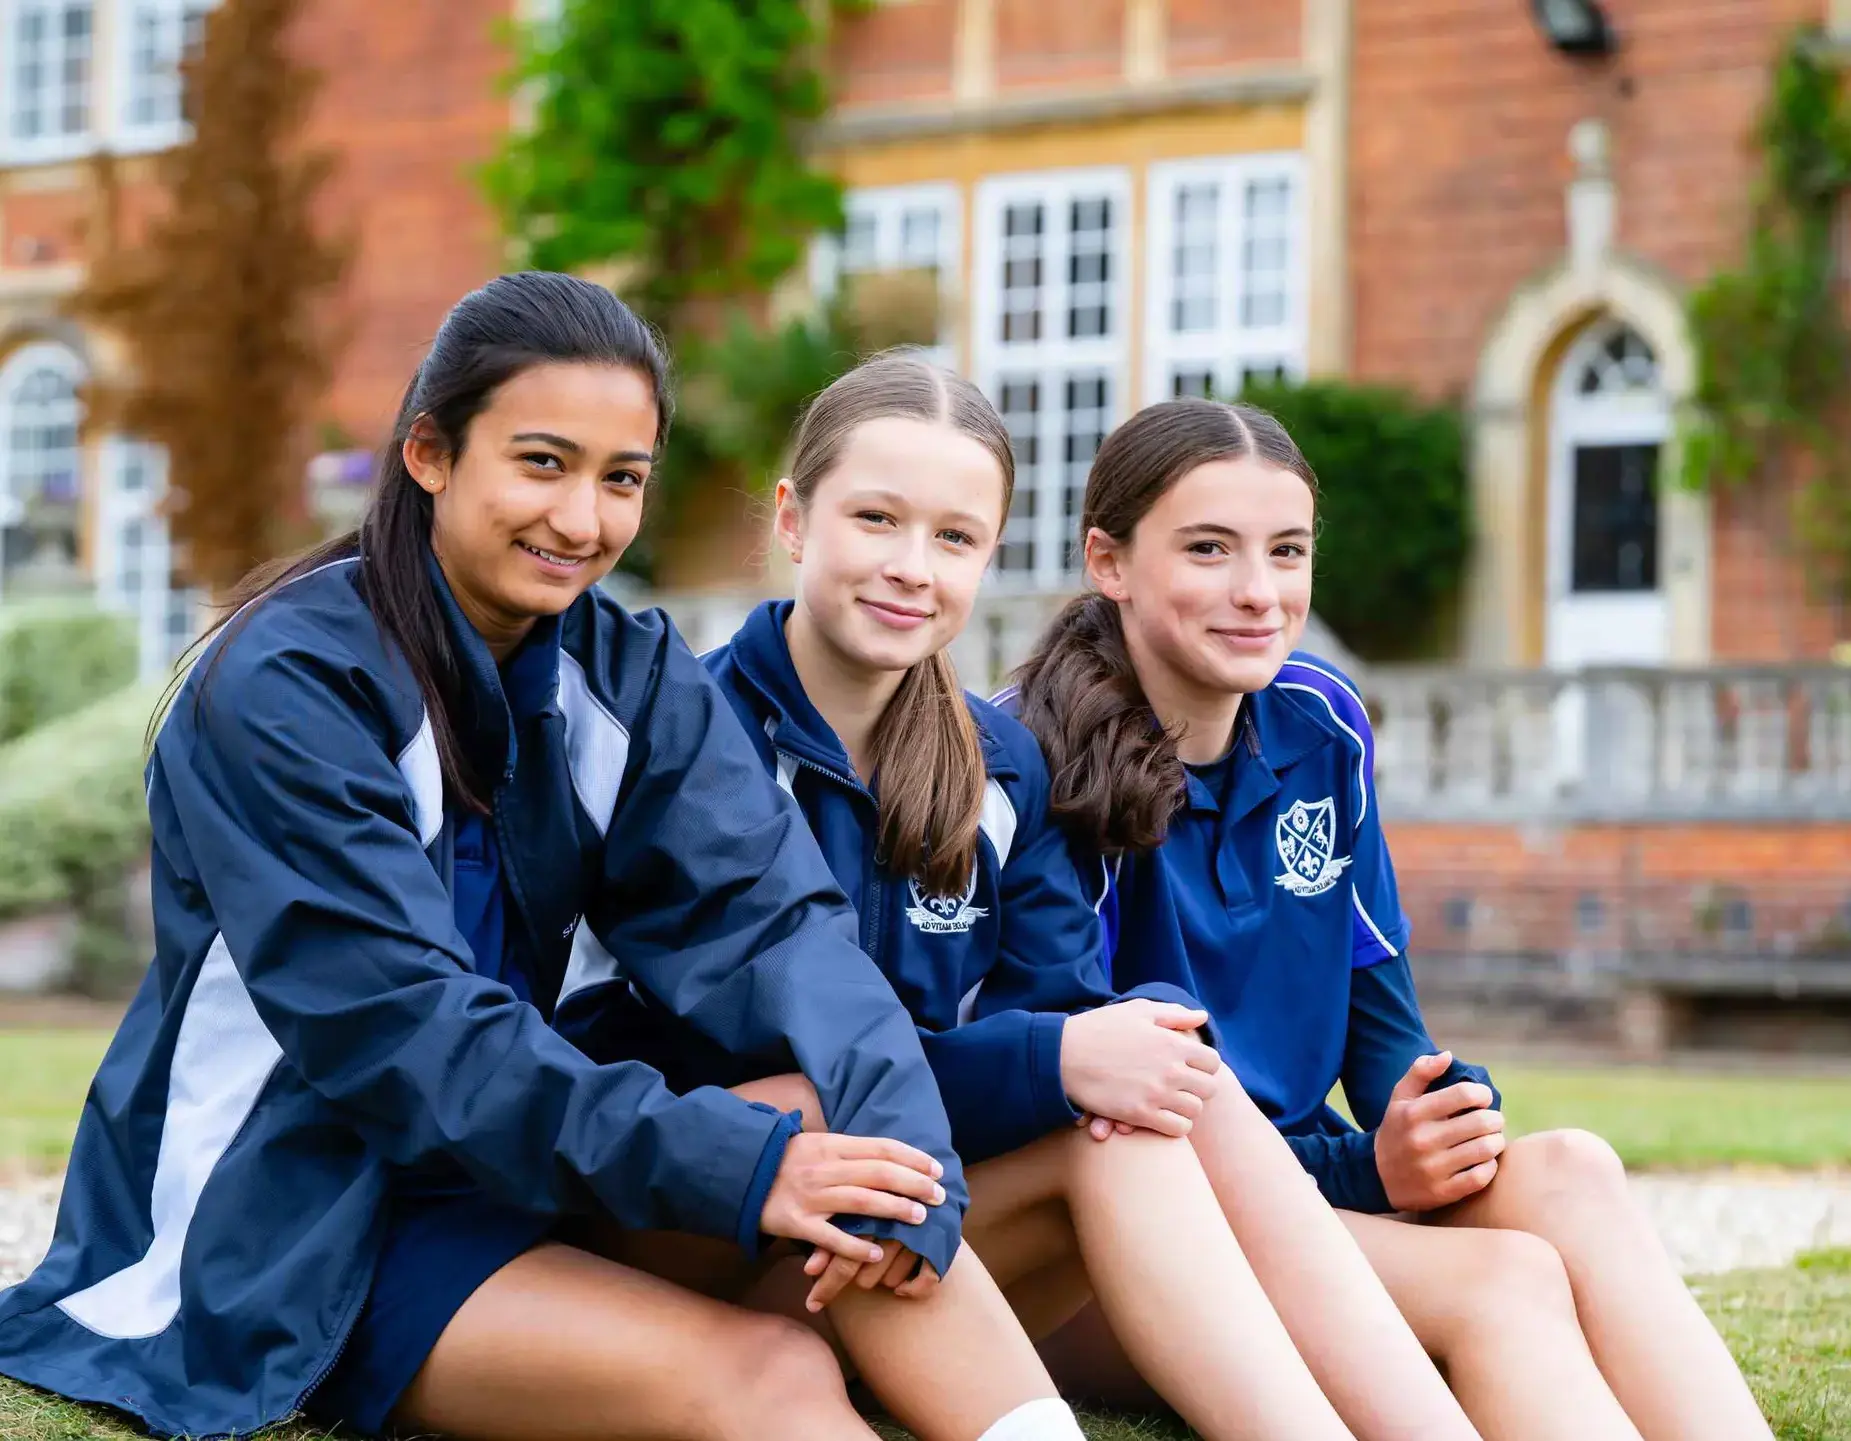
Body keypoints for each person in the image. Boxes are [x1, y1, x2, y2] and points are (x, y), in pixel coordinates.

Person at [0, 274, 1086, 1441]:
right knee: (767, 1372)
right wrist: (745, 1166)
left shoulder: (627, 672)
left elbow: (775, 928)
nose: (582, 521)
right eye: (541, 463)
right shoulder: (284, 684)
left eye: (620, 479)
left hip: (524, 1175)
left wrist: (912, 1151)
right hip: (302, 1214)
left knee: (862, 1139)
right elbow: (408, 1034)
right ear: (429, 451)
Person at [690, 351, 1486, 1441]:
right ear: (793, 518)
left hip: (917, 1218)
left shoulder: (998, 765)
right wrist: (1051, 1061)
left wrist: (1071, 1055)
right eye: (877, 519)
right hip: (723, 1224)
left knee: (1157, 1078)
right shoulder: (688, 739)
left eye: (954, 537)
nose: (912, 567)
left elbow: (1056, 1022)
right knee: (1052, 1082)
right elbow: (720, 1059)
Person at [1008, 396, 1774, 1441]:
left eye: (1286, 551)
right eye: (1208, 549)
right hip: (1121, 1249)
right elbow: (1117, 1123)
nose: (1258, 593)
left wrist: (1438, 1116)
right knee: (1503, 1282)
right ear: (1111, 561)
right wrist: (1372, 1169)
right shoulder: (1032, 763)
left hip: (1302, 1201)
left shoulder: (1319, 721)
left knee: (1574, 1167)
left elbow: (1384, 1036)